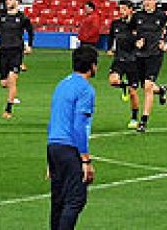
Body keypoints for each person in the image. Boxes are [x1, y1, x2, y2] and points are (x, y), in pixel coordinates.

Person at [46, 45, 99, 230]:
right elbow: (79, 126)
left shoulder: (62, 84)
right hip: (69, 148)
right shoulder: (86, 90)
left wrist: (50, 160)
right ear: (92, 66)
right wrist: (85, 159)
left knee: (58, 199)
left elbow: (53, 119)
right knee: (76, 199)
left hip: (53, 146)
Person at [129, 0, 167, 133]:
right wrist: (136, 41)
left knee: (148, 86)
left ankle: (143, 121)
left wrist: (164, 41)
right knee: (145, 86)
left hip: (155, 55)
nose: (147, 2)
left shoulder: (161, 16)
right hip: (139, 55)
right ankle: (161, 90)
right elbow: (131, 31)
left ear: (155, 1)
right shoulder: (137, 16)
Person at [0, 0, 34, 119]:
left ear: (17, 2)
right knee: (4, 82)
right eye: (7, 0)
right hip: (3, 51)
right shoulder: (0, 16)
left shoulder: (22, 18)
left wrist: (29, 45)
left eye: (10, 0)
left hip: (16, 51)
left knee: (12, 80)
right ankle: (12, 92)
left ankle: (8, 109)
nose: (7, 2)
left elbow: (30, 31)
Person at [105, 0, 142, 129]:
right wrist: (109, 48)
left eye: (124, 9)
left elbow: (142, 40)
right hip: (119, 59)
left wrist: (140, 45)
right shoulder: (116, 24)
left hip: (133, 61)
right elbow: (111, 37)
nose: (121, 11)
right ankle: (123, 85)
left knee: (133, 93)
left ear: (131, 10)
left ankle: (134, 118)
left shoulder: (137, 25)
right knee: (113, 81)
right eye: (120, 9)